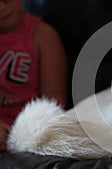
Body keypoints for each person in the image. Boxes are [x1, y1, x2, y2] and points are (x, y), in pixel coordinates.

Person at [0, 0, 67, 151]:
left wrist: (15, 136)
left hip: (25, 134)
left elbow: (53, 106)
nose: (2, 7)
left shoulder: (42, 36)